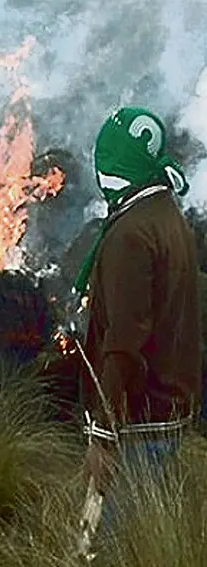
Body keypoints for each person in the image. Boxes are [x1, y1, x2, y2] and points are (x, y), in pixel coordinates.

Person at [74, 106, 201, 532]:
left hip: (138, 424)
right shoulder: (167, 216)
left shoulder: (131, 234)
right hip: (168, 411)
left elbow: (125, 342)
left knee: (110, 545)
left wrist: (103, 436)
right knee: (147, 533)